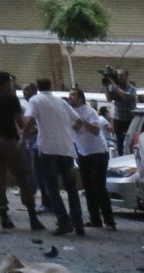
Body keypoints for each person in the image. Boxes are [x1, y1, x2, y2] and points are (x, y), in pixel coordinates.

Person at [0, 71, 41, 233]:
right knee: (23, 175)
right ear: (7, 82)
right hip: (8, 140)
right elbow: (19, 122)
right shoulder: (11, 98)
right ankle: (32, 216)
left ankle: (4, 216)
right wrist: (29, 130)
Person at [31, 79, 86, 238]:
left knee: (52, 187)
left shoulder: (36, 100)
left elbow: (28, 120)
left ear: (38, 88)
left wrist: (24, 135)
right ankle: (78, 223)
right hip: (67, 149)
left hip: (48, 150)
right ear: (50, 86)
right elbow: (79, 122)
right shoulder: (62, 103)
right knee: (71, 188)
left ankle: (64, 221)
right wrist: (70, 133)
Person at [71, 81, 115, 230]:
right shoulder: (71, 113)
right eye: (70, 96)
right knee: (88, 186)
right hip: (83, 152)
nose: (71, 98)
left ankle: (109, 220)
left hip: (97, 152)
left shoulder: (90, 112)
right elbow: (74, 130)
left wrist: (82, 120)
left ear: (81, 98)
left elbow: (95, 130)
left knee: (99, 186)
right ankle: (94, 218)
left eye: (74, 96)